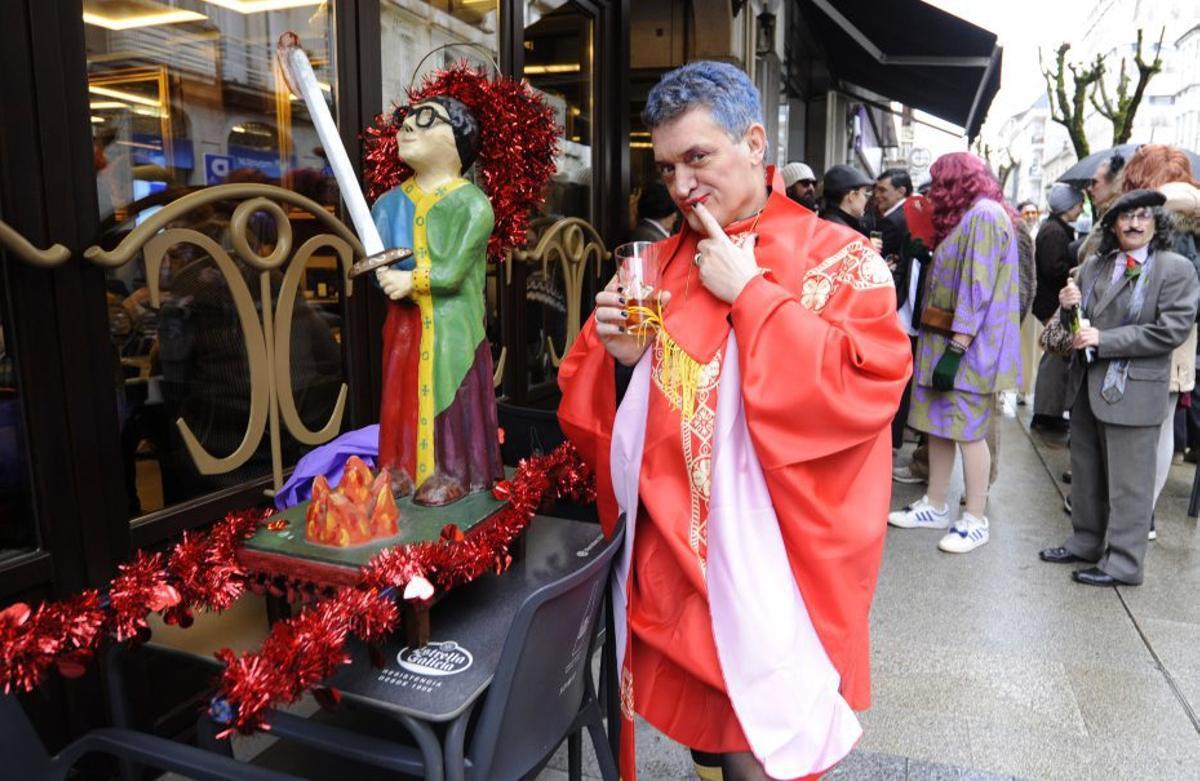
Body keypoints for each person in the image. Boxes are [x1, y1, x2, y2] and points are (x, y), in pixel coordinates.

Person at [557, 61, 911, 781]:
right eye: (667, 167)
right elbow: (590, 402)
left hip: (771, 566)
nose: (683, 186)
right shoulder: (653, 263)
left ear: (754, 142)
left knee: (759, 745)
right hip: (669, 564)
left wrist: (751, 296)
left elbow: (869, 384)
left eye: (698, 158)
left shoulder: (837, 258)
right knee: (706, 737)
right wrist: (621, 359)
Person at [1038, 190, 1199, 585]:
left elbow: (1170, 331)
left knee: (1130, 485)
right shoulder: (1095, 264)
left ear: (1156, 223)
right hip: (1086, 385)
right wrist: (1069, 305)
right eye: (1125, 217)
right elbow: (1077, 326)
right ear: (1111, 225)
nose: (1135, 223)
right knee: (1088, 474)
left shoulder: (1174, 268)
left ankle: (1125, 564)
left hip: (1135, 390)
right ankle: (1085, 543)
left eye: (1144, 216)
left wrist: (1104, 339)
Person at [371, 97, 504, 506]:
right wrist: (387, 277)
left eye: (426, 119)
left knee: (452, 391)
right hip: (405, 325)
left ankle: (454, 471)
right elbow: (382, 261)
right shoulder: (387, 204)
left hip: (452, 327)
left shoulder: (472, 205)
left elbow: (450, 273)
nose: (408, 127)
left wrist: (408, 279)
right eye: (405, 119)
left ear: (460, 139)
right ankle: (399, 467)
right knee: (398, 391)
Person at [888, 152, 1021, 553]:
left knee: (967, 430)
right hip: (949, 341)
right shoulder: (977, 214)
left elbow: (977, 289)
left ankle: (975, 518)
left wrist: (957, 346)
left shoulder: (983, 216)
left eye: (938, 182)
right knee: (940, 424)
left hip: (965, 346)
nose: (933, 191)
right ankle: (935, 503)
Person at [1119, 145, 1200, 530]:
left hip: (1155, 336)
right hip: (1180, 340)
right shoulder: (1187, 212)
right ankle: (1140, 517)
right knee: (1161, 427)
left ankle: (1137, 518)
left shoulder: (1167, 216)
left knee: (1147, 431)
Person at [1030, 184, 1085, 430]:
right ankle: (1046, 414)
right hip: (1052, 303)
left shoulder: (1057, 228)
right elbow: (1053, 268)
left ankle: (1048, 412)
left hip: (1052, 301)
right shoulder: (1054, 231)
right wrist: (1075, 271)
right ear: (1068, 207)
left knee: (1056, 358)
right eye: (1078, 204)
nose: (1081, 209)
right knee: (1055, 359)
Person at [818, 164, 873, 235]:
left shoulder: (822, 222)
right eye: (865, 195)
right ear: (852, 196)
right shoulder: (847, 236)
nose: (866, 200)